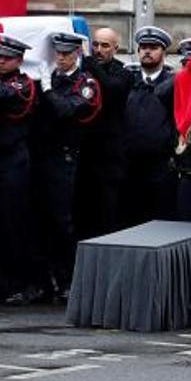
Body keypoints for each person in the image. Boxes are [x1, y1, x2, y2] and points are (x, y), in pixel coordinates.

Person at [30, 32, 101, 301]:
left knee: (63, 222)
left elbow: (66, 111)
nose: (61, 58)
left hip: (65, 158)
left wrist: (46, 89)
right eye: (58, 53)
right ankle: (42, 281)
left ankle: (67, 279)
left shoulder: (85, 84)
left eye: (67, 53)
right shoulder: (49, 79)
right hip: (40, 156)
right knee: (39, 220)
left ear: (77, 55)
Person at [0, 35, 38, 304]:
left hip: (14, 160)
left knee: (14, 224)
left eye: (7, 58)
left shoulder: (24, 84)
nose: (1, 61)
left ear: (19, 61)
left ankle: (21, 285)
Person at [120, 26, 177, 226]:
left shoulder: (173, 84)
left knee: (160, 221)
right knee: (130, 220)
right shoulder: (129, 81)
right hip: (130, 165)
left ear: (164, 52)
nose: (147, 51)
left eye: (153, 47)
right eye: (143, 47)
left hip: (160, 166)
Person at [78, 27, 130, 237]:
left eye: (105, 46)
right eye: (95, 45)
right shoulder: (84, 71)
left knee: (108, 213)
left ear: (115, 48)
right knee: (84, 214)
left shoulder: (123, 73)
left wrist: (92, 67)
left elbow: (112, 90)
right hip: (85, 153)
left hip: (110, 157)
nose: (98, 50)